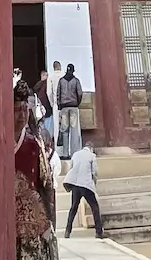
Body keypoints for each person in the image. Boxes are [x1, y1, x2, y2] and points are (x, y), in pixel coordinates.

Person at [13, 79, 58, 260]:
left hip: (33, 223)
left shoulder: (33, 143)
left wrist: (49, 220)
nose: (21, 115)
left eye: (25, 110)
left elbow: (46, 183)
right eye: (17, 110)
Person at [63, 140, 103, 238]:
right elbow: (94, 172)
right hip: (86, 184)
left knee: (73, 208)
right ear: (91, 149)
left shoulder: (76, 154)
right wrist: (94, 184)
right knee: (94, 207)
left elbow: (71, 168)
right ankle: (99, 232)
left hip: (76, 185)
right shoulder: (92, 156)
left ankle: (67, 231)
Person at [55, 63, 84, 158]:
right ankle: (74, 153)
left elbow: (58, 94)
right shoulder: (76, 81)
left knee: (64, 131)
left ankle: (65, 153)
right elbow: (79, 93)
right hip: (73, 107)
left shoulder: (61, 81)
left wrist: (59, 105)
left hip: (64, 108)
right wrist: (77, 103)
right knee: (74, 130)